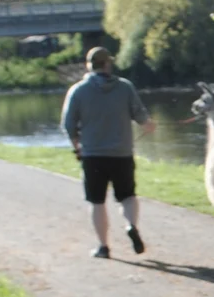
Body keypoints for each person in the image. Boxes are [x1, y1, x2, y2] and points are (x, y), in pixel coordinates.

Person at [60, 46, 156, 259]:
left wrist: (77, 146)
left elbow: (68, 125)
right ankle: (131, 225)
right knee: (128, 196)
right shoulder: (125, 87)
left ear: (89, 66)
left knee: (97, 201)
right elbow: (141, 116)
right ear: (108, 64)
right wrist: (149, 125)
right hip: (122, 154)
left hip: (93, 155)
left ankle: (104, 247)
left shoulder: (78, 91)